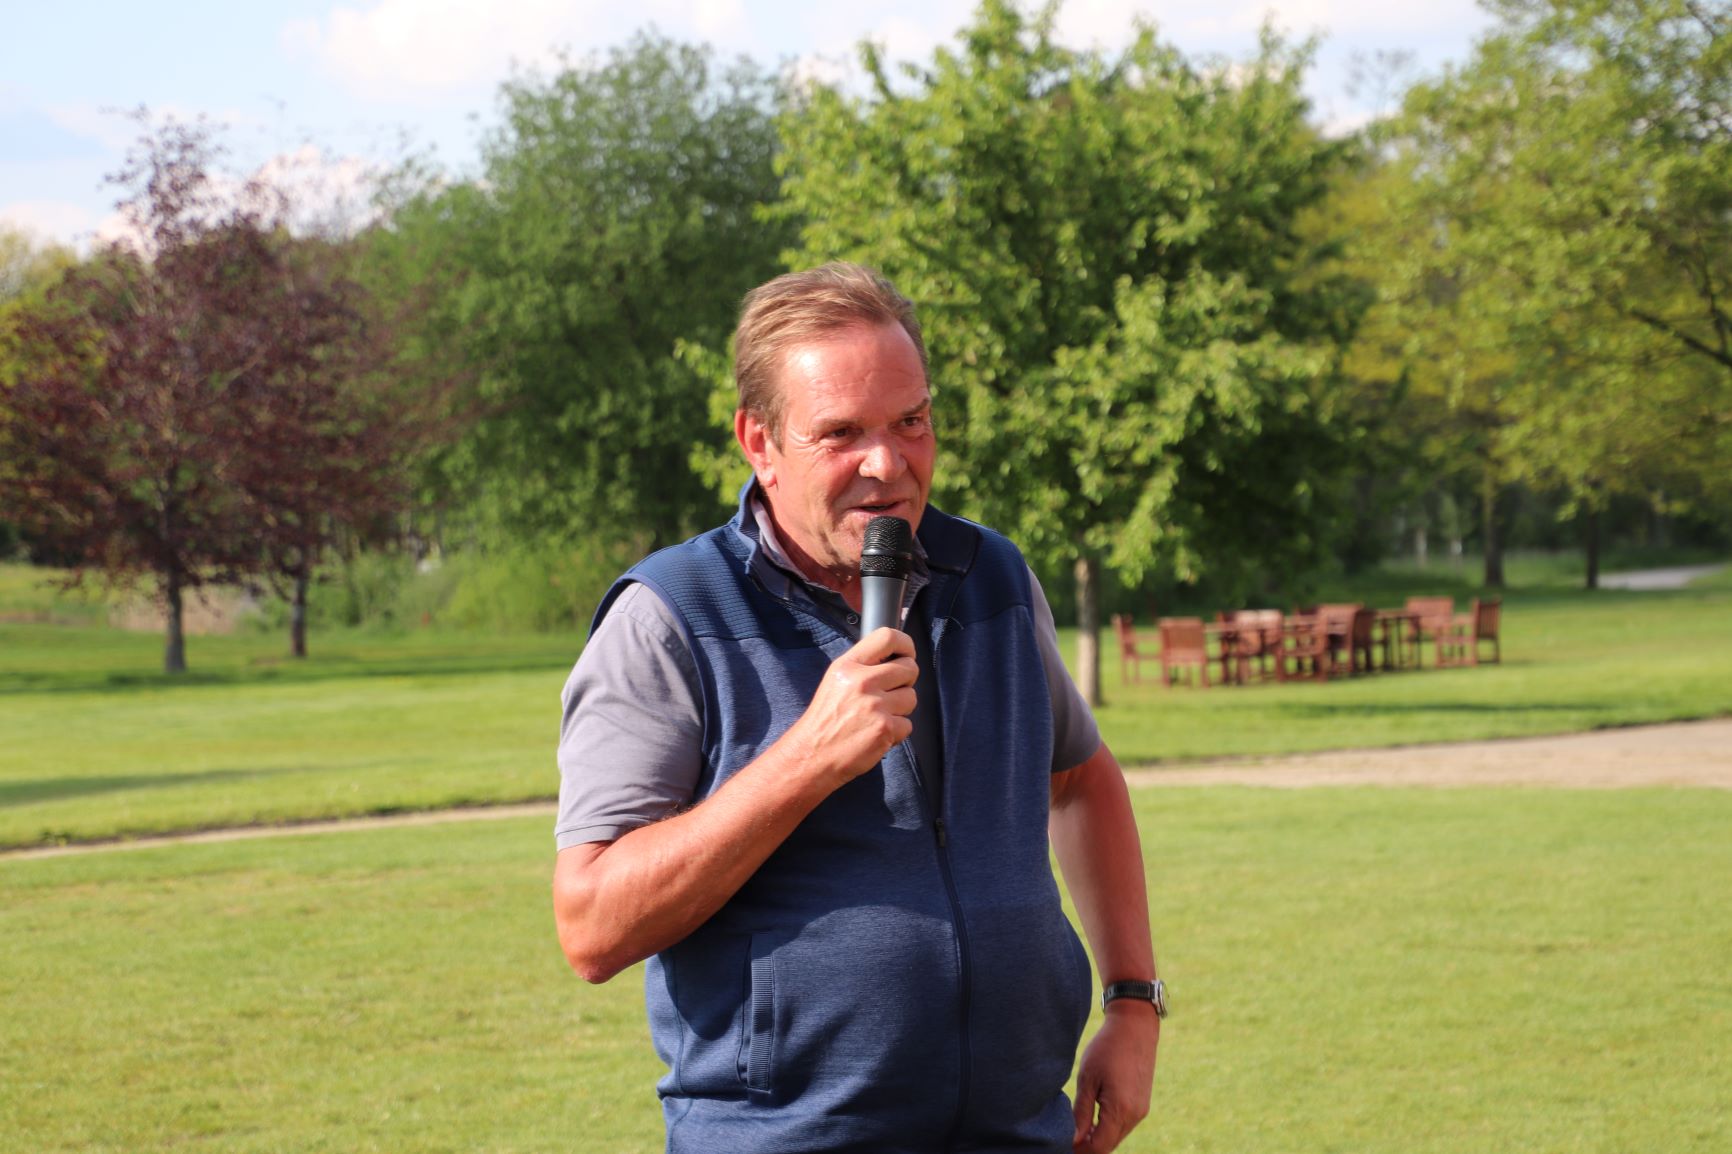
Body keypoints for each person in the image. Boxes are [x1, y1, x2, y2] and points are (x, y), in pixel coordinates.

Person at [553, 263, 1163, 1154]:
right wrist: (808, 758)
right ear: (759, 441)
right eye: (841, 433)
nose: (888, 464)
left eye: (911, 421)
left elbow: (1081, 780)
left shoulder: (992, 578)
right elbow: (591, 926)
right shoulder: (669, 616)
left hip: (1022, 1132)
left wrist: (1134, 1001)